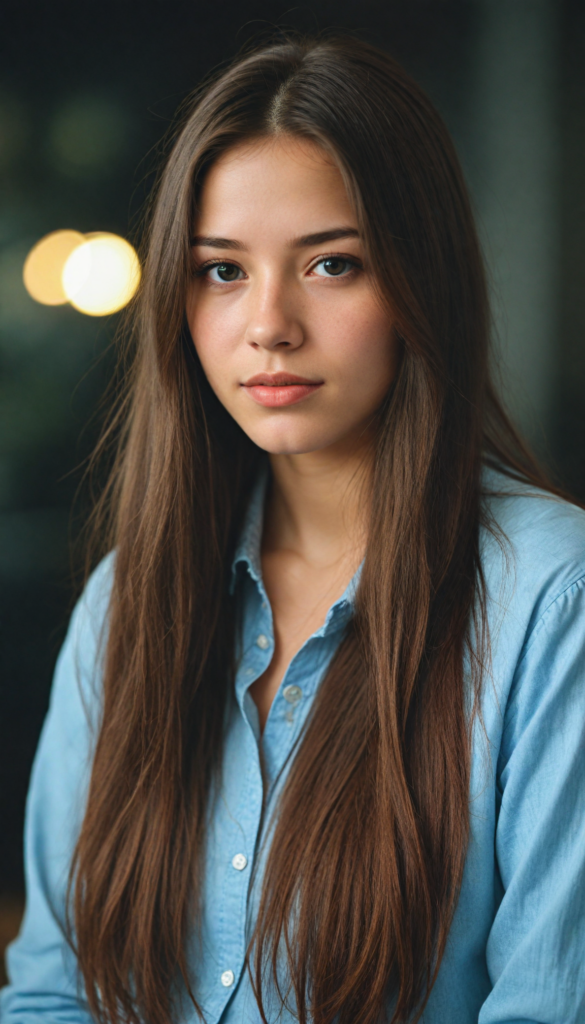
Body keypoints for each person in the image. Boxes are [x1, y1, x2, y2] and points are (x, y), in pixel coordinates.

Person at [2, 33, 585, 1024]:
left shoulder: (549, 594)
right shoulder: (127, 601)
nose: (269, 322)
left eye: (330, 263)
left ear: (418, 280)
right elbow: (55, 992)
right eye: (222, 271)